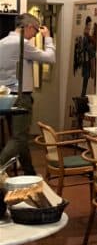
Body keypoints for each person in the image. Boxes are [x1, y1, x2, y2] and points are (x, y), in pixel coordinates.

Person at [0, 13, 56, 177]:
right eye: (37, 31)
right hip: (21, 96)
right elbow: (50, 58)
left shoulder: (2, 42)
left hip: (4, 97)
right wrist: (48, 38)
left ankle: (30, 172)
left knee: (20, 137)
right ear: (29, 27)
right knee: (19, 138)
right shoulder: (22, 44)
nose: (36, 35)